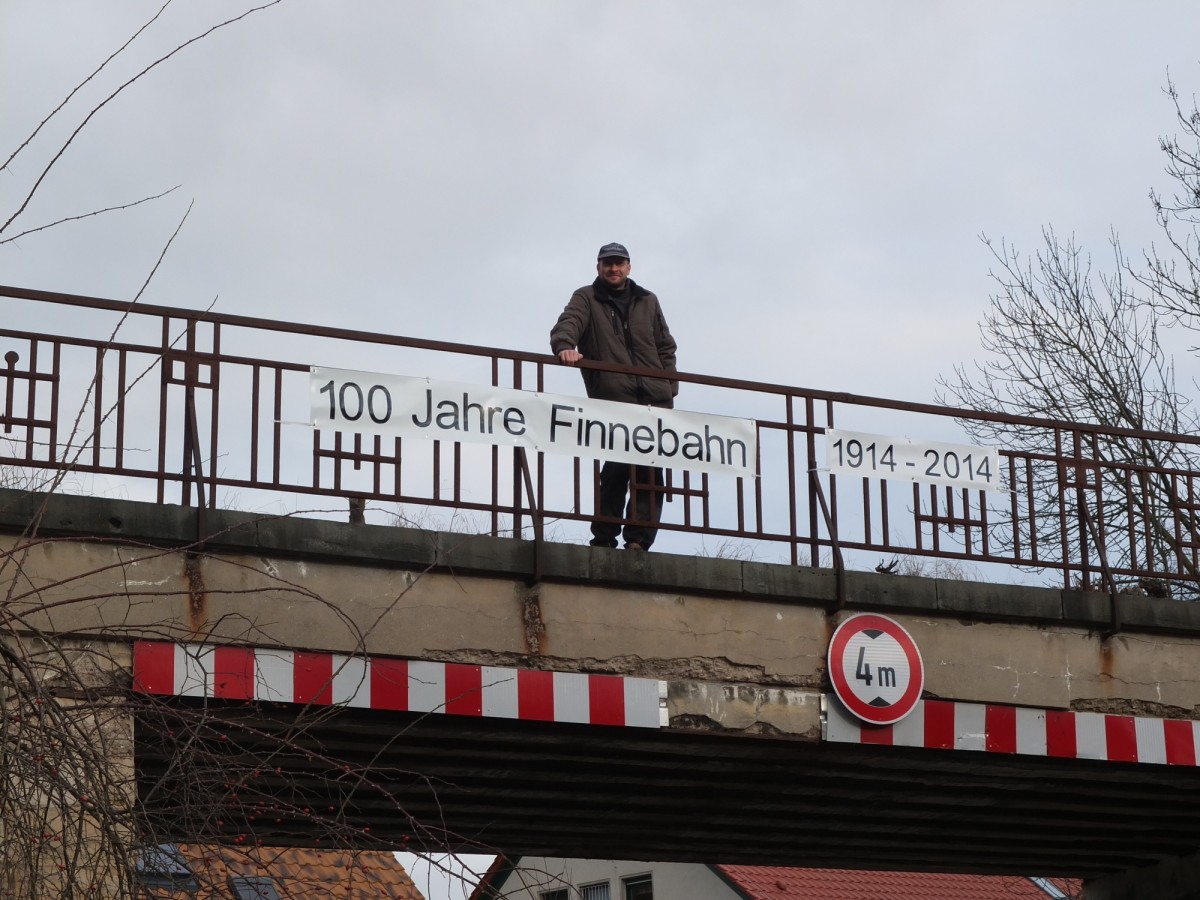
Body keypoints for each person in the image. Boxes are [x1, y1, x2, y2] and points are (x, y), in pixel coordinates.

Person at [550, 242, 678, 551]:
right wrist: (565, 345)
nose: (613, 269)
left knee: (651, 473)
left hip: (654, 401)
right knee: (617, 469)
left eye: (619, 263)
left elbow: (665, 345)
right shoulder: (587, 297)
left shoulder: (648, 300)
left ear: (629, 267)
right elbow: (567, 324)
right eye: (607, 263)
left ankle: (638, 540)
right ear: (598, 267)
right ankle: (604, 538)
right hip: (614, 399)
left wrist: (669, 385)